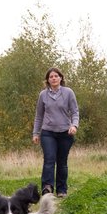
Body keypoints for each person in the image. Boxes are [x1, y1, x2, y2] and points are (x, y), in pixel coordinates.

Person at [32, 67, 79, 198]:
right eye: (51, 76)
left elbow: (75, 112)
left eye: (56, 76)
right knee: (49, 159)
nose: (53, 78)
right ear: (47, 80)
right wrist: (35, 133)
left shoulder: (68, 92)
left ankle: (61, 190)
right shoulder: (43, 95)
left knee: (62, 162)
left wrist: (74, 125)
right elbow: (39, 116)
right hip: (48, 133)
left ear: (60, 78)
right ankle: (47, 188)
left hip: (65, 133)